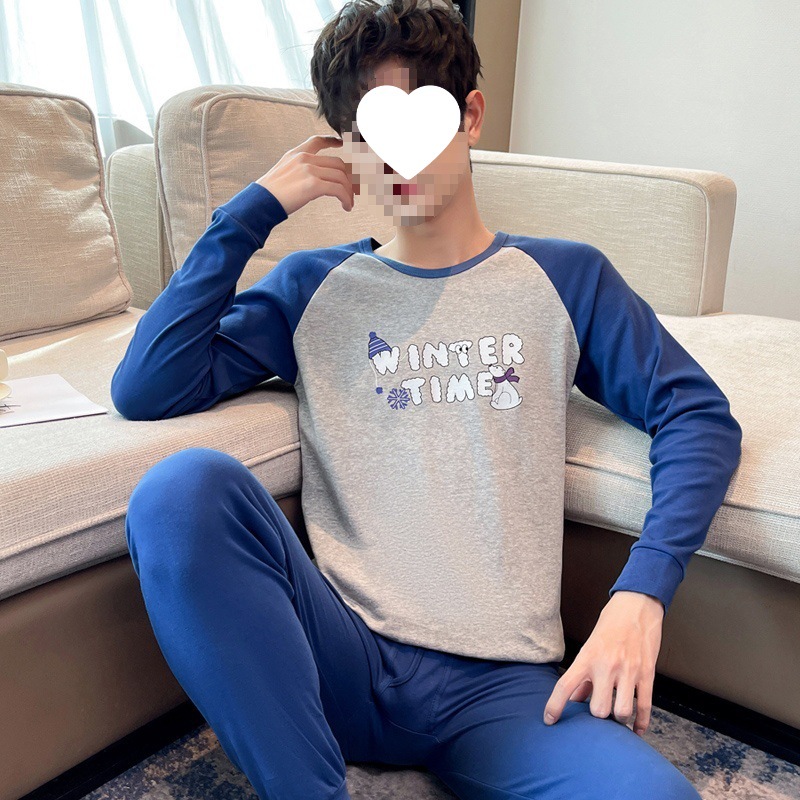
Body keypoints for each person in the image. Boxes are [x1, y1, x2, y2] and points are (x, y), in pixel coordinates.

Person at [113, 1, 742, 798]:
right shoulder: (311, 287)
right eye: (368, 134)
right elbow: (148, 386)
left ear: (470, 115)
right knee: (180, 490)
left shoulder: (565, 277)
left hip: (502, 692)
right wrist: (252, 211)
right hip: (343, 657)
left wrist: (642, 592)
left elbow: (698, 415)